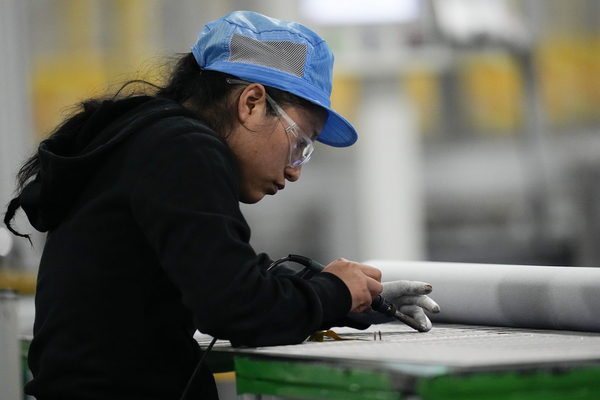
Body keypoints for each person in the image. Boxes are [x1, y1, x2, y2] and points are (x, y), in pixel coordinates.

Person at [4, 11, 439, 400]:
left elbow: (222, 274)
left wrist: (345, 298)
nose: (294, 171)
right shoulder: (183, 147)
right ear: (251, 104)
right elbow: (236, 308)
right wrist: (333, 292)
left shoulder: (145, 139)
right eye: (300, 144)